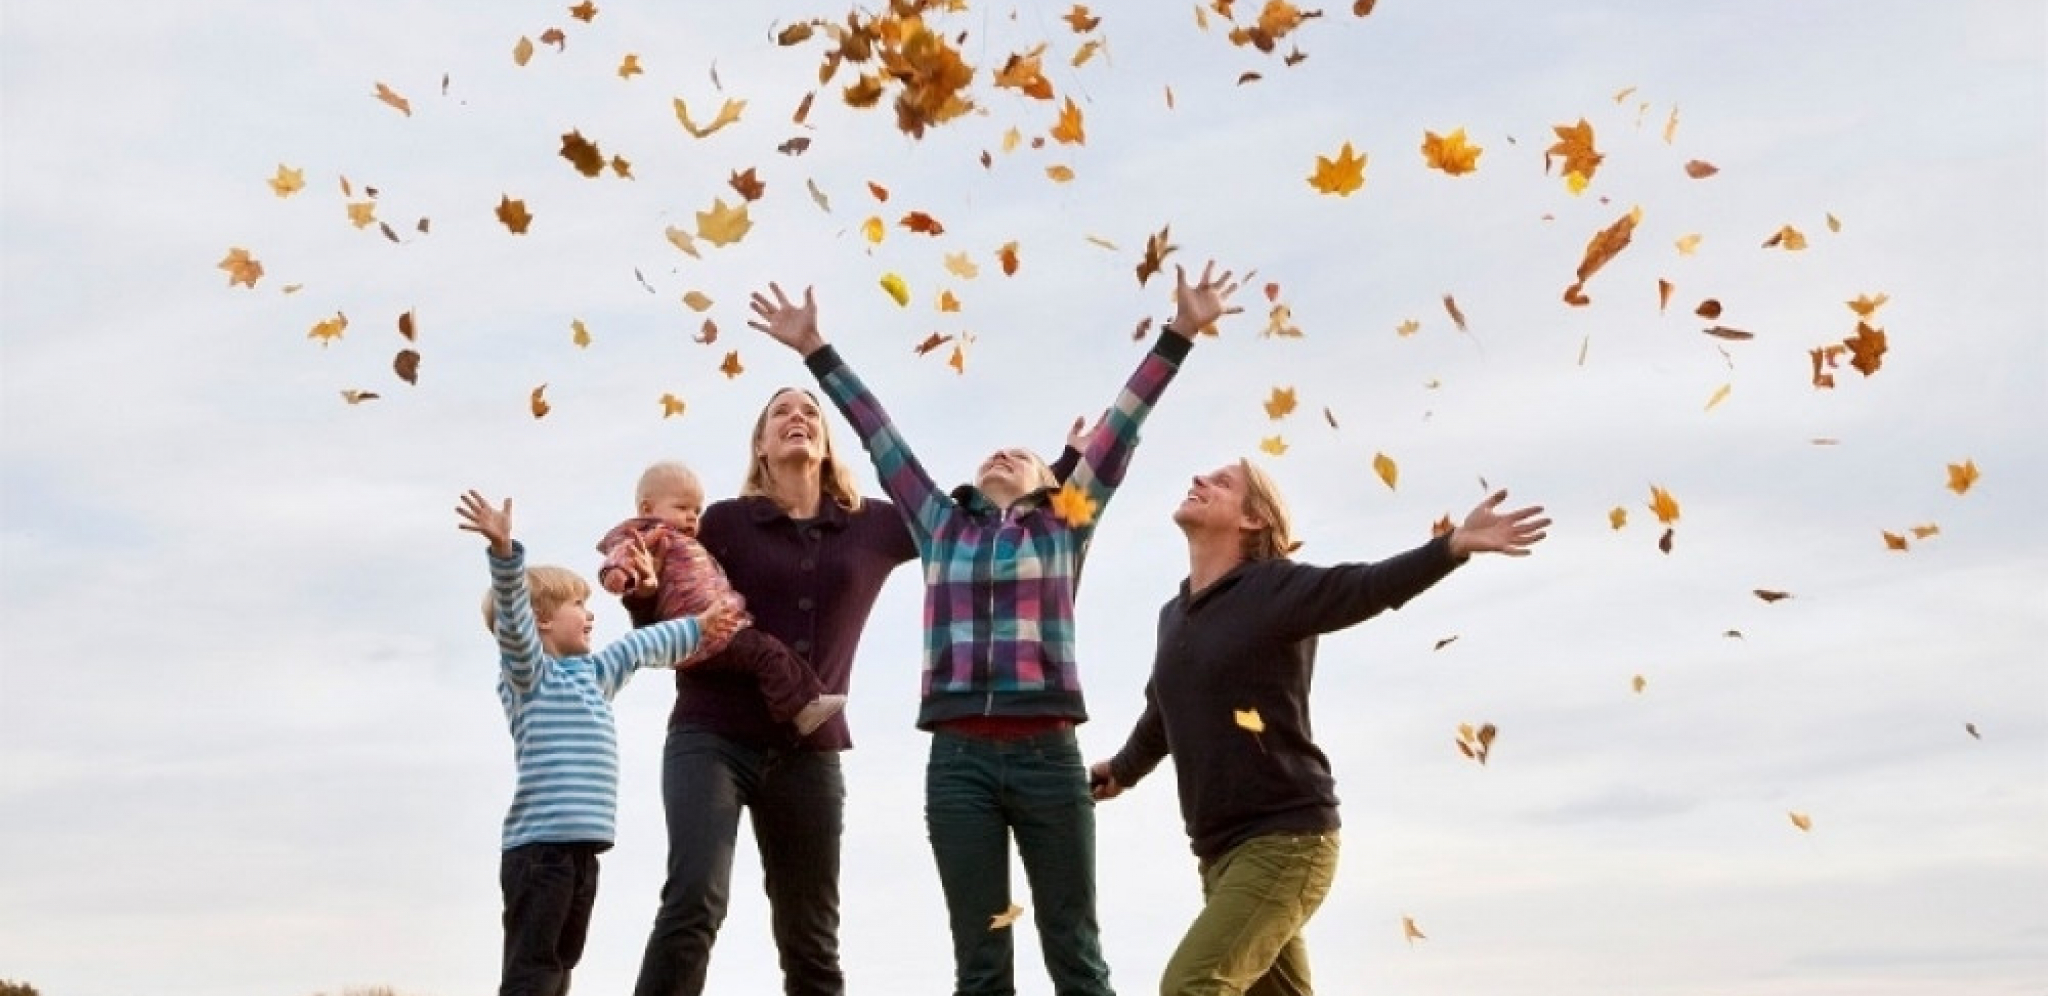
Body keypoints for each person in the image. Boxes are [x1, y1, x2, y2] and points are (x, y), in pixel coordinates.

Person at [746, 262, 1243, 996]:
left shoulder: (1064, 524)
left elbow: (1121, 428)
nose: (1003, 454)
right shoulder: (939, 522)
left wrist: (1180, 333)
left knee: (1076, 952)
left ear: (1049, 482)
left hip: (1049, 759)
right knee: (980, 964)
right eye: (992, 453)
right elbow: (880, 435)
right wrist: (816, 350)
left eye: (1022, 455)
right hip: (959, 766)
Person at [1089, 463, 1550, 996]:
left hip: (1286, 841)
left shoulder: (1274, 587)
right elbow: (1163, 711)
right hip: (1218, 855)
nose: (1199, 479)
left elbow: (1365, 587)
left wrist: (1451, 547)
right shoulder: (1174, 614)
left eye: (1222, 482)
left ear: (1254, 519)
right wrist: (1121, 771)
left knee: (1191, 985)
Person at [630, 389, 919, 996]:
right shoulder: (723, 524)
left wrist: (1060, 471)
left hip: (809, 751)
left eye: (810, 411)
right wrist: (641, 591)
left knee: (811, 937)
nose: (797, 417)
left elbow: (952, 522)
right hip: (711, 736)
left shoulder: (871, 526)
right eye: (781, 412)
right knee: (694, 902)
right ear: (761, 445)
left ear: (827, 442)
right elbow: (667, 614)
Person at [455, 489, 742, 996]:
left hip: (582, 851)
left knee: (562, 963)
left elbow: (637, 647)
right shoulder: (530, 676)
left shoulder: (593, 674)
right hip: (540, 852)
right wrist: (503, 552)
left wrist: (697, 627)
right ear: (542, 619)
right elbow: (515, 628)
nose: (590, 614)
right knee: (533, 967)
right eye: (578, 604)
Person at [595, 459, 847, 737]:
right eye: (682, 508)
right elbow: (623, 553)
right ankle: (798, 709)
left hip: (711, 630)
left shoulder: (686, 541)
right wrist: (616, 574)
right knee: (767, 653)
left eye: (696, 510)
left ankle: (809, 700)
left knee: (769, 651)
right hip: (702, 631)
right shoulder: (651, 534)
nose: (692, 517)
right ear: (647, 509)